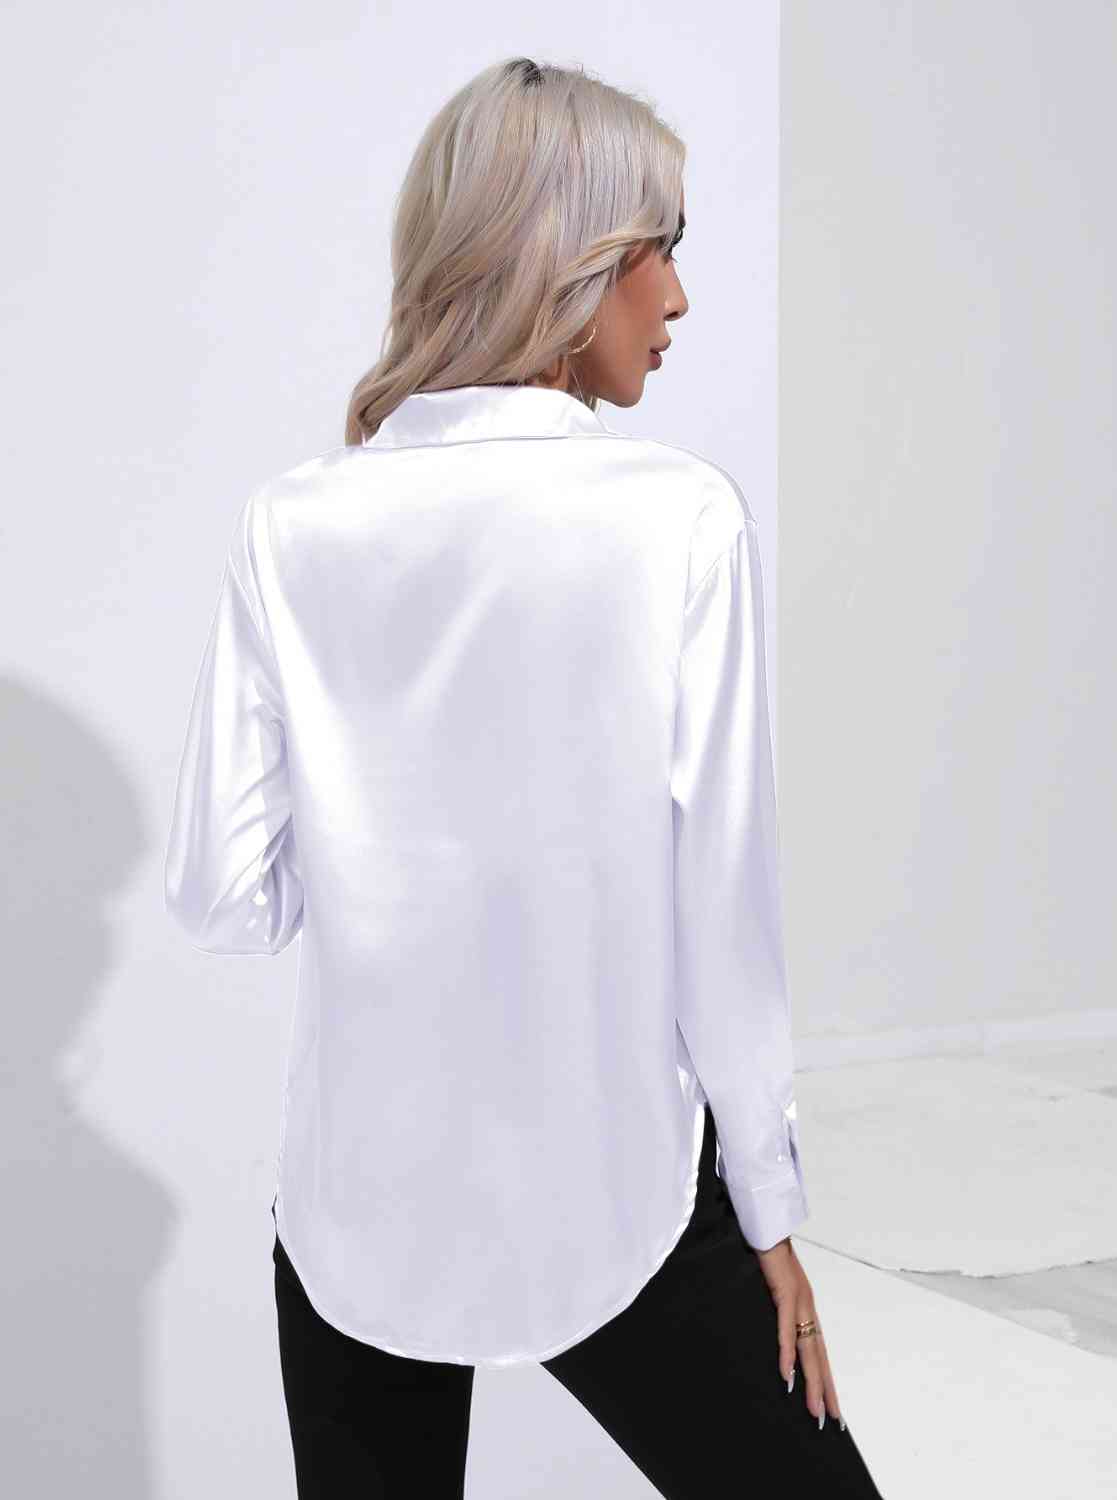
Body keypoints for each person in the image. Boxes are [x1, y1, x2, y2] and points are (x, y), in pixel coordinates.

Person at [164, 54, 886, 1499]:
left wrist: (382, 822)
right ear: (571, 264)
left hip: (353, 1213)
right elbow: (721, 919)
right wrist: (769, 1211)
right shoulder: (676, 520)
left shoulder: (293, 525)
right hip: (610, 1191)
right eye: (658, 247)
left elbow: (224, 898)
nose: (678, 298)